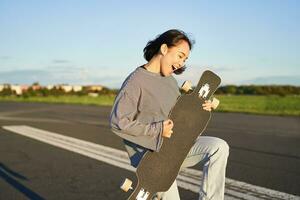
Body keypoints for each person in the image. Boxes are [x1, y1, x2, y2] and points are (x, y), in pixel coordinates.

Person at [109, 29, 229, 200]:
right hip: (153, 159)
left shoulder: (170, 81)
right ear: (164, 49)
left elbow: (179, 114)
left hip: (177, 146)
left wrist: (200, 108)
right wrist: (157, 130)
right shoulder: (136, 81)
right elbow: (117, 122)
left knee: (218, 147)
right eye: (180, 56)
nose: (181, 63)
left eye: (185, 59)